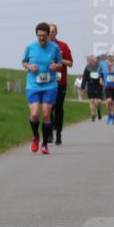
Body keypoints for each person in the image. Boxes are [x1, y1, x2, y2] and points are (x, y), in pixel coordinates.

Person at [21, 22, 64, 155]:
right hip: (33, 85)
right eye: (39, 36)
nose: (42, 38)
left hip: (50, 85)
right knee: (34, 114)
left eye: (44, 36)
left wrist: (56, 66)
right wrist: (29, 67)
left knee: (46, 114)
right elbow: (23, 62)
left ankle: (45, 144)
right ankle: (36, 137)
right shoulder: (30, 47)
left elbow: (61, 63)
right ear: (36, 35)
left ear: (48, 35)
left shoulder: (54, 48)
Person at [48, 24, 74, 145]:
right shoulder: (43, 47)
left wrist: (60, 60)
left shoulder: (63, 45)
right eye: (49, 31)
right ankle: (50, 132)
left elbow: (70, 63)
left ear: (56, 33)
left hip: (60, 82)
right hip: (47, 81)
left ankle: (58, 133)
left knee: (58, 108)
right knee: (48, 108)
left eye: (53, 31)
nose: (51, 33)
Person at [80, 55, 104, 121]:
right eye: (90, 60)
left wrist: (102, 79)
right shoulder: (87, 68)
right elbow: (84, 78)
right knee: (92, 100)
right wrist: (82, 88)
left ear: (96, 60)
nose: (92, 61)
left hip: (99, 85)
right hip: (91, 85)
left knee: (98, 101)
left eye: (93, 60)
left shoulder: (100, 66)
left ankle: (98, 110)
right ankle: (93, 115)